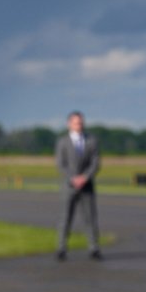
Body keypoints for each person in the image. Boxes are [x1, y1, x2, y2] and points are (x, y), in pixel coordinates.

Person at [55, 111, 101, 261]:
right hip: (69, 186)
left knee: (90, 218)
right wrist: (73, 178)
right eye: (76, 123)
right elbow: (61, 164)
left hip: (87, 186)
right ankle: (61, 248)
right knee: (65, 218)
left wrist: (85, 177)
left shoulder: (91, 141)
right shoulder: (63, 142)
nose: (79, 125)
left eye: (81, 122)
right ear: (69, 124)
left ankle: (94, 248)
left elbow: (95, 162)